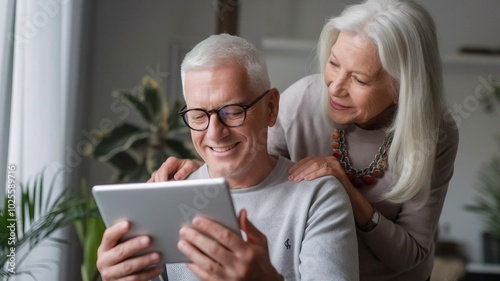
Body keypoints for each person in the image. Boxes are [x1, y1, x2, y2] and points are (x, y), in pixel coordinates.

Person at [150, 0, 460, 280]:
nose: (335, 87)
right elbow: (252, 174)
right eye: (335, 63)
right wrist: (206, 170)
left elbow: (412, 252)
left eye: (359, 78)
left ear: (401, 85)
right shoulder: (302, 101)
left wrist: (348, 192)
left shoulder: (435, 134)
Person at [96, 33, 359, 281]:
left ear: (270, 108)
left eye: (232, 112)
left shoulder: (318, 197)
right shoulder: (162, 196)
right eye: (198, 115)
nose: (215, 134)